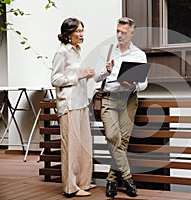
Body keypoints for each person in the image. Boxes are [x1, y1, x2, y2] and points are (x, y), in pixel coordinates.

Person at [94, 17, 148, 198]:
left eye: (123, 32)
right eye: (117, 31)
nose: (119, 35)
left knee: (122, 141)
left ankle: (111, 179)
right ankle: (127, 177)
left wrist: (133, 85)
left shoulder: (139, 55)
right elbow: (96, 78)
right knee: (112, 136)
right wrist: (106, 71)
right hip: (109, 99)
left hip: (128, 100)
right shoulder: (107, 51)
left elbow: (144, 83)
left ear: (132, 33)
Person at [51, 17, 96, 197]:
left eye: (82, 31)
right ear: (68, 34)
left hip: (81, 103)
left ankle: (83, 182)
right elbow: (55, 80)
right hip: (69, 105)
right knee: (71, 147)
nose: (81, 34)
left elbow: (78, 74)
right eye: (78, 31)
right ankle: (70, 187)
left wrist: (87, 75)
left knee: (84, 145)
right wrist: (78, 76)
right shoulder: (61, 52)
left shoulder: (77, 51)